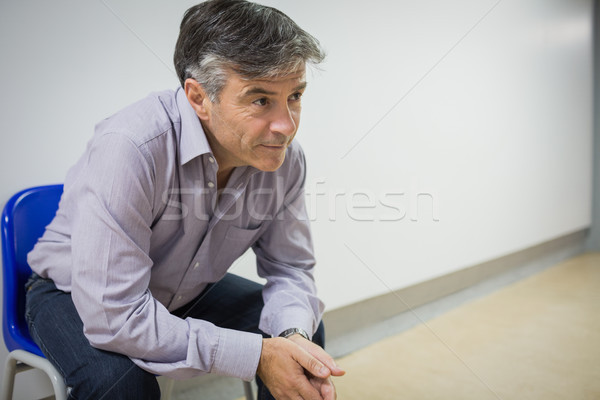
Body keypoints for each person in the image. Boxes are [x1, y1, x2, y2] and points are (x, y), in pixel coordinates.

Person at [24, 0, 345, 399]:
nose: (286, 126)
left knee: (305, 337)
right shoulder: (130, 148)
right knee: (119, 385)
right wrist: (258, 354)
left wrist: (291, 337)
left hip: (182, 291)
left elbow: (292, 270)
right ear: (198, 97)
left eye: (294, 96)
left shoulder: (284, 160)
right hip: (77, 294)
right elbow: (116, 317)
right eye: (261, 100)